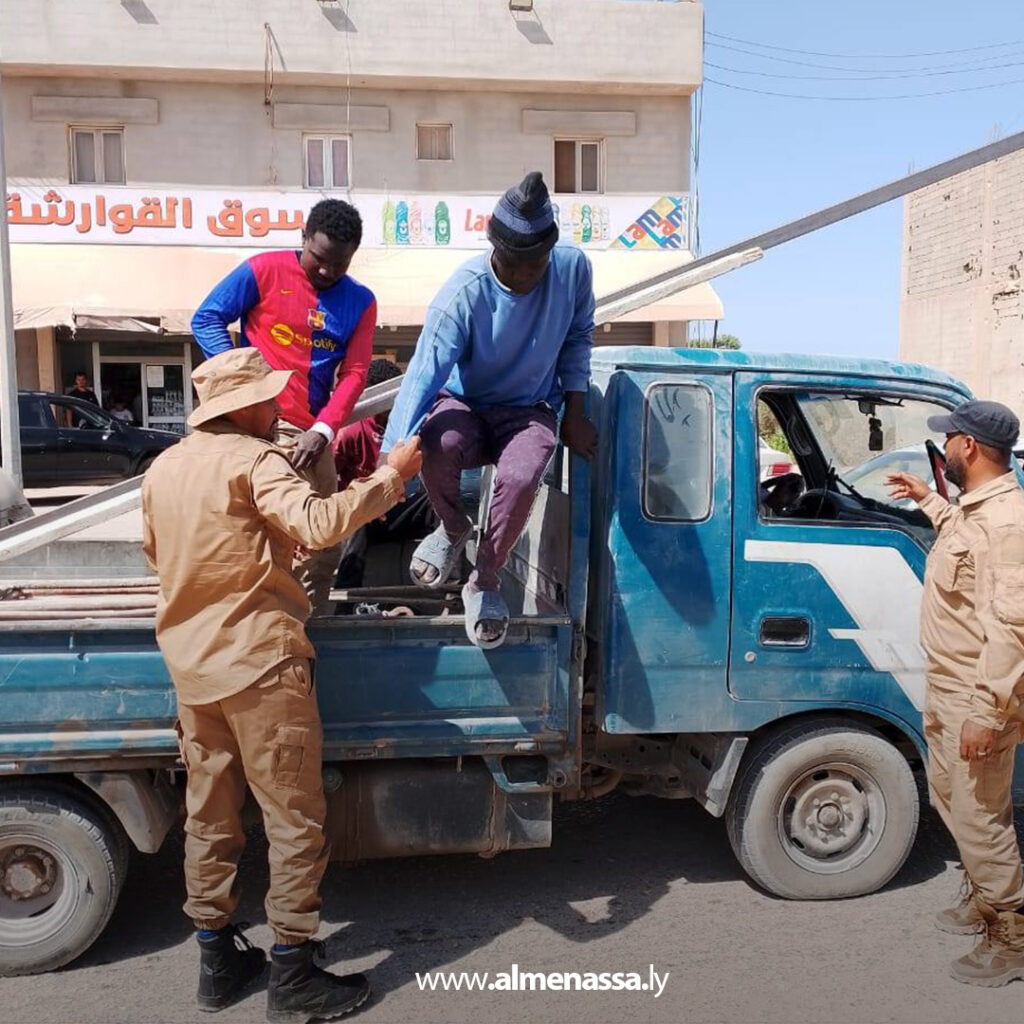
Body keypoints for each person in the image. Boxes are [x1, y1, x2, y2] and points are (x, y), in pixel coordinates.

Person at [141, 347, 421, 1018]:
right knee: (294, 819)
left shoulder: (163, 468)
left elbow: (160, 557)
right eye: (267, 398)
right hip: (261, 667)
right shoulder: (256, 460)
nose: (277, 407)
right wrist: (392, 475)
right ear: (242, 408)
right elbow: (320, 525)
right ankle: (293, 973)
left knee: (209, 816)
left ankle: (217, 962)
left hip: (193, 668)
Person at [381, 171, 597, 649]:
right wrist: (389, 462)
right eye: (514, 264)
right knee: (438, 442)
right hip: (468, 404)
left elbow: (579, 336)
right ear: (493, 247)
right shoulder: (463, 293)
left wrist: (576, 410)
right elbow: (424, 374)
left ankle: (484, 580)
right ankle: (454, 528)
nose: (524, 276)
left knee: (522, 475)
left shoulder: (573, 269)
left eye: (535, 265)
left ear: (550, 252)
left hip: (529, 408)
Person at [887, 400, 1024, 986]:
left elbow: (1012, 627)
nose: (944, 448)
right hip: (948, 686)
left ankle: (1012, 934)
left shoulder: (1008, 522)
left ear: (968, 445)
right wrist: (928, 499)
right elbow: (962, 548)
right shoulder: (976, 509)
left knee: (981, 816)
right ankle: (985, 896)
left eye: (948, 439)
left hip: (976, 694)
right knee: (952, 800)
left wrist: (986, 712)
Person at [192, 198, 376, 616]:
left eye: (340, 264)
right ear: (303, 237)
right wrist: (243, 382)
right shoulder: (263, 270)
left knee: (322, 543)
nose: (327, 271)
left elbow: (355, 373)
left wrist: (324, 430)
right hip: (250, 431)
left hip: (310, 436)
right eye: (319, 258)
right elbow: (207, 318)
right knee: (249, 540)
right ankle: (251, 627)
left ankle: (308, 632)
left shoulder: (361, 301)